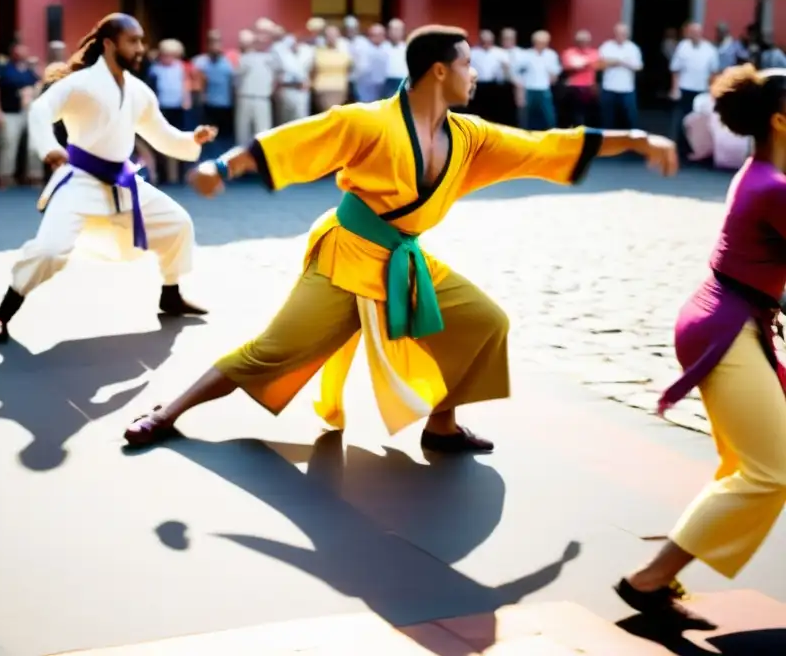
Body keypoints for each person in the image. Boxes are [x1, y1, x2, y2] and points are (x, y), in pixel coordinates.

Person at [124, 25, 678, 449]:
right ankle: (169, 411)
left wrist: (632, 139)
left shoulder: (471, 135)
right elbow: (294, 141)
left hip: (403, 261)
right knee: (275, 350)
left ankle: (442, 425)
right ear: (439, 71)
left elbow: (544, 146)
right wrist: (222, 168)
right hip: (345, 257)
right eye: (468, 66)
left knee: (486, 322)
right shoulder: (368, 121)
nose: (476, 75)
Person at [617, 65, 786, 620]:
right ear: (781, 120)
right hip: (726, 329)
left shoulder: (763, 171)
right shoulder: (772, 187)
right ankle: (648, 580)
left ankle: (654, 578)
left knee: (752, 464)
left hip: (727, 320)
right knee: (771, 471)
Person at [0, 14, 217, 344]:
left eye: (141, 41)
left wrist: (193, 139)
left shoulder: (138, 91)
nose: (140, 48)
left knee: (177, 223)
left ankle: (171, 293)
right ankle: (1, 315)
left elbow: (162, 135)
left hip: (124, 184)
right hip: (80, 181)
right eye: (132, 41)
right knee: (49, 251)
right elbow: (40, 111)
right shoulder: (80, 84)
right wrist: (50, 147)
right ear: (109, 44)